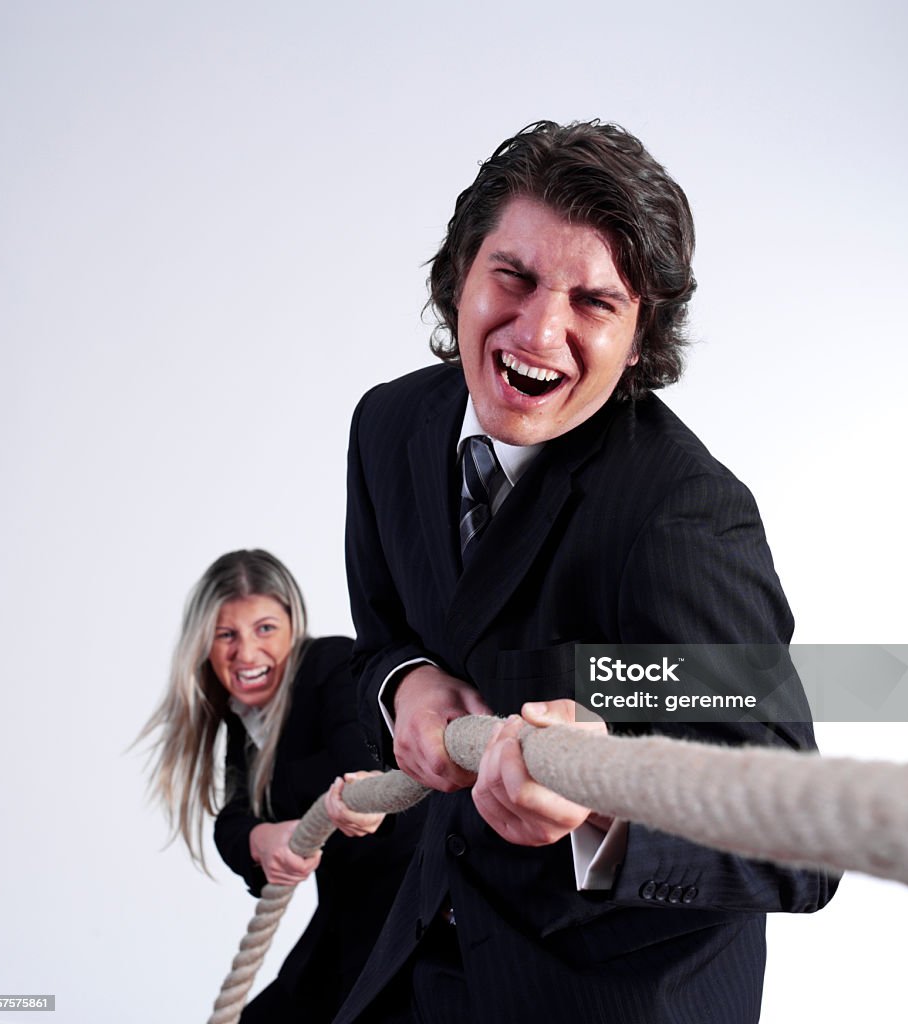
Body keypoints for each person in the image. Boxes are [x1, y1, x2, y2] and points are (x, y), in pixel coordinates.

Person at [340, 120, 838, 1024]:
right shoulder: (387, 428)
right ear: (460, 273)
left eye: (595, 304)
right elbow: (388, 636)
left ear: (643, 340)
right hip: (429, 951)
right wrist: (404, 686)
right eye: (514, 277)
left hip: (613, 996)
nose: (539, 330)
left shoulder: (680, 518)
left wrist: (599, 815)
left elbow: (800, 847)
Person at [141, 549, 420, 1024]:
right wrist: (260, 837)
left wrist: (335, 802)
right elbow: (231, 822)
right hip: (347, 919)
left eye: (264, 629)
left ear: (294, 624)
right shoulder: (244, 721)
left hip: (410, 912)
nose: (245, 654)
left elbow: (358, 769)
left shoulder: (330, 666)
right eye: (225, 635)